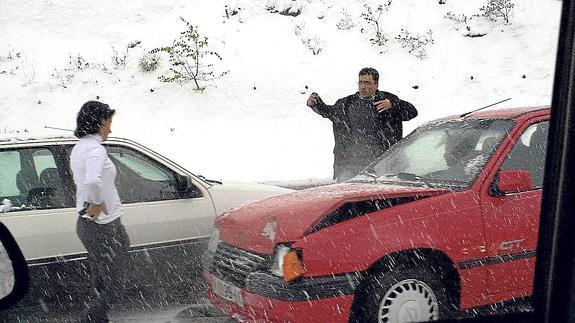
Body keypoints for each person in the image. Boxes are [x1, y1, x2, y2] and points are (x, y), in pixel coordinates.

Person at [70, 101, 130, 322]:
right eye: (109, 123)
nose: (110, 129)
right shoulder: (96, 150)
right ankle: (85, 320)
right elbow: (93, 181)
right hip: (102, 226)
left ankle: (98, 318)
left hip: (88, 224)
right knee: (115, 288)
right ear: (101, 122)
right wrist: (98, 202)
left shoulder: (79, 148)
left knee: (102, 280)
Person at [306, 67, 418, 182]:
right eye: (361, 82)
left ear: (376, 84)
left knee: (380, 198)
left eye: (367, 83)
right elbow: (330, 113)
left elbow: (412, 112)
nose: (363, 86)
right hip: (351, 165)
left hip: (383, 165)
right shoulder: (347, 103)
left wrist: (393, 105)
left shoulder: (386, 100)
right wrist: (317, 104)